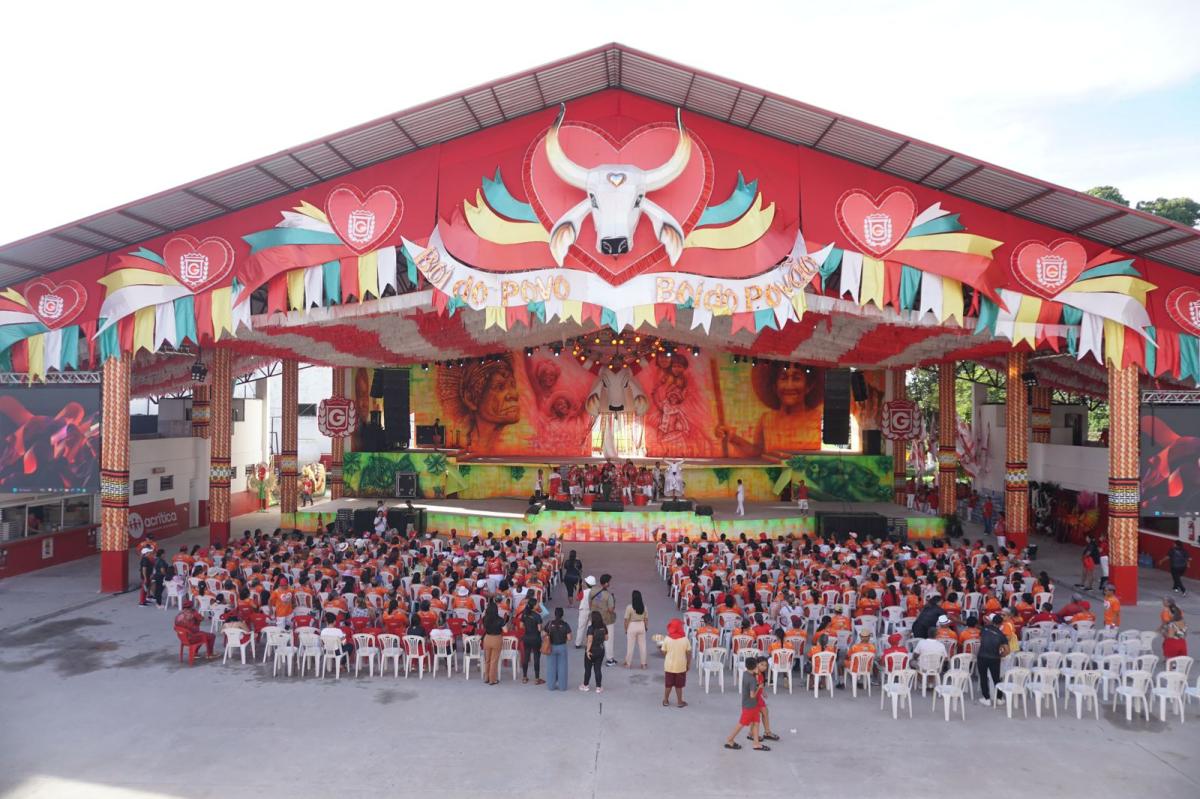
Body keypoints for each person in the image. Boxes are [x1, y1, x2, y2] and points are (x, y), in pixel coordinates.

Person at [724, 657, 768, 751]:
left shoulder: (745, 674)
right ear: (755, 666)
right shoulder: (752, 679)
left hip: (750, 705)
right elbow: (752, 695)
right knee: (741, 724)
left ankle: (756, 743)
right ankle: (729, 739)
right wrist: (759, 687)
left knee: (756, 722)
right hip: (750, 705)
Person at [977, 613, 1009, 706]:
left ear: (992, 621)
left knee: (983, 677)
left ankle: (986, 698)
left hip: (982, 656)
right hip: (994, 658)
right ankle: (999, 698)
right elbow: (1007, 651)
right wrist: (1000, 655)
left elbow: (981, 640)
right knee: (996, 678)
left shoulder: (984, 629)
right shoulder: (1002, 635)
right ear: (1001, 624)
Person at [660, 618, 691, 707]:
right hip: (681, 666)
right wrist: (688, 664)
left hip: (669, 666)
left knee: (668, 685)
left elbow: (664, 652)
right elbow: (688, 653)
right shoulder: (685, 639)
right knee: (679, 686)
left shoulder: (667, 639)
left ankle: (665, 700)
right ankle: (680, 702)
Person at [590, 573, 618, 666]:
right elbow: (610, 609)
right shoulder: (608, 596)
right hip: (606, 620)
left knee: (594, 638)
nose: (610, 583)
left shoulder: (593, 591)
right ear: (606, 583)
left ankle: (591, 657)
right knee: (608, 639)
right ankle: (610, 659)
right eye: (609, 582)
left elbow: (590, 602)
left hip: (594, 618)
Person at [544, 607, 571, 691]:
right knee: (562, 667)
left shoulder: (549, 623)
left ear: (555, 614)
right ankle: (562, 687)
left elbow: (544, 634)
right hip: (562, 646)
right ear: (562, 615)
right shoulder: (565, 624)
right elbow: (569, 638)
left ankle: (551, 686)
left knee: (551, 667)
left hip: (551, 646)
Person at [481, 597, 506, 686]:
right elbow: (505, 630)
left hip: (487, 638)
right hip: (496, 639)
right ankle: (493, 679)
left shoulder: (485, 619)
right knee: (494, 660)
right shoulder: (500, 619)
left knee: (487, 659)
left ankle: (486, 678)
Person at [580, 610, 607, 693]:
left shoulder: (591, 628)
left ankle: (585, 685)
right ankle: (598, 687)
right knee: (597, 669)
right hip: (600, 650)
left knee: (588, 669)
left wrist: (587, 651)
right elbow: (606, 638)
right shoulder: (604, 627)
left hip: (591, 650)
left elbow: (589, 641)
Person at [520, 599, 545, 685]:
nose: (538, 605)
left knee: (526, 657)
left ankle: (524, 677)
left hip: (527, 637)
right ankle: (537, 678)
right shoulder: (537, 616)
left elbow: (521, 625)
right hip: (536, 638)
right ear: (534, 606)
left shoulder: (524, 614)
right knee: (536, 658)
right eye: (537, 604)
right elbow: (539, 629)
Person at [624, 590, 649, 669]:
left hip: (632, 626)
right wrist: (646, 627)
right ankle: (643, 664)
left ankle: (628, 663)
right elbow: (646, 619)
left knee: (630, 646)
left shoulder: (629, 607)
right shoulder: (644, 607)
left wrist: (626, 629)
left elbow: (626, 620)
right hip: (641, 625)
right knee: (643, 646)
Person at [575, 575, 595, 647]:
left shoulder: (584, 592)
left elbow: (577, 598)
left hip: (583, 610)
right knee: (590, 627)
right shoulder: (595, 592)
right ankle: (588, 643)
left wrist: (578, 588)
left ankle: (578, 643)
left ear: (587, 584)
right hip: (592, 611)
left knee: (581, 627)